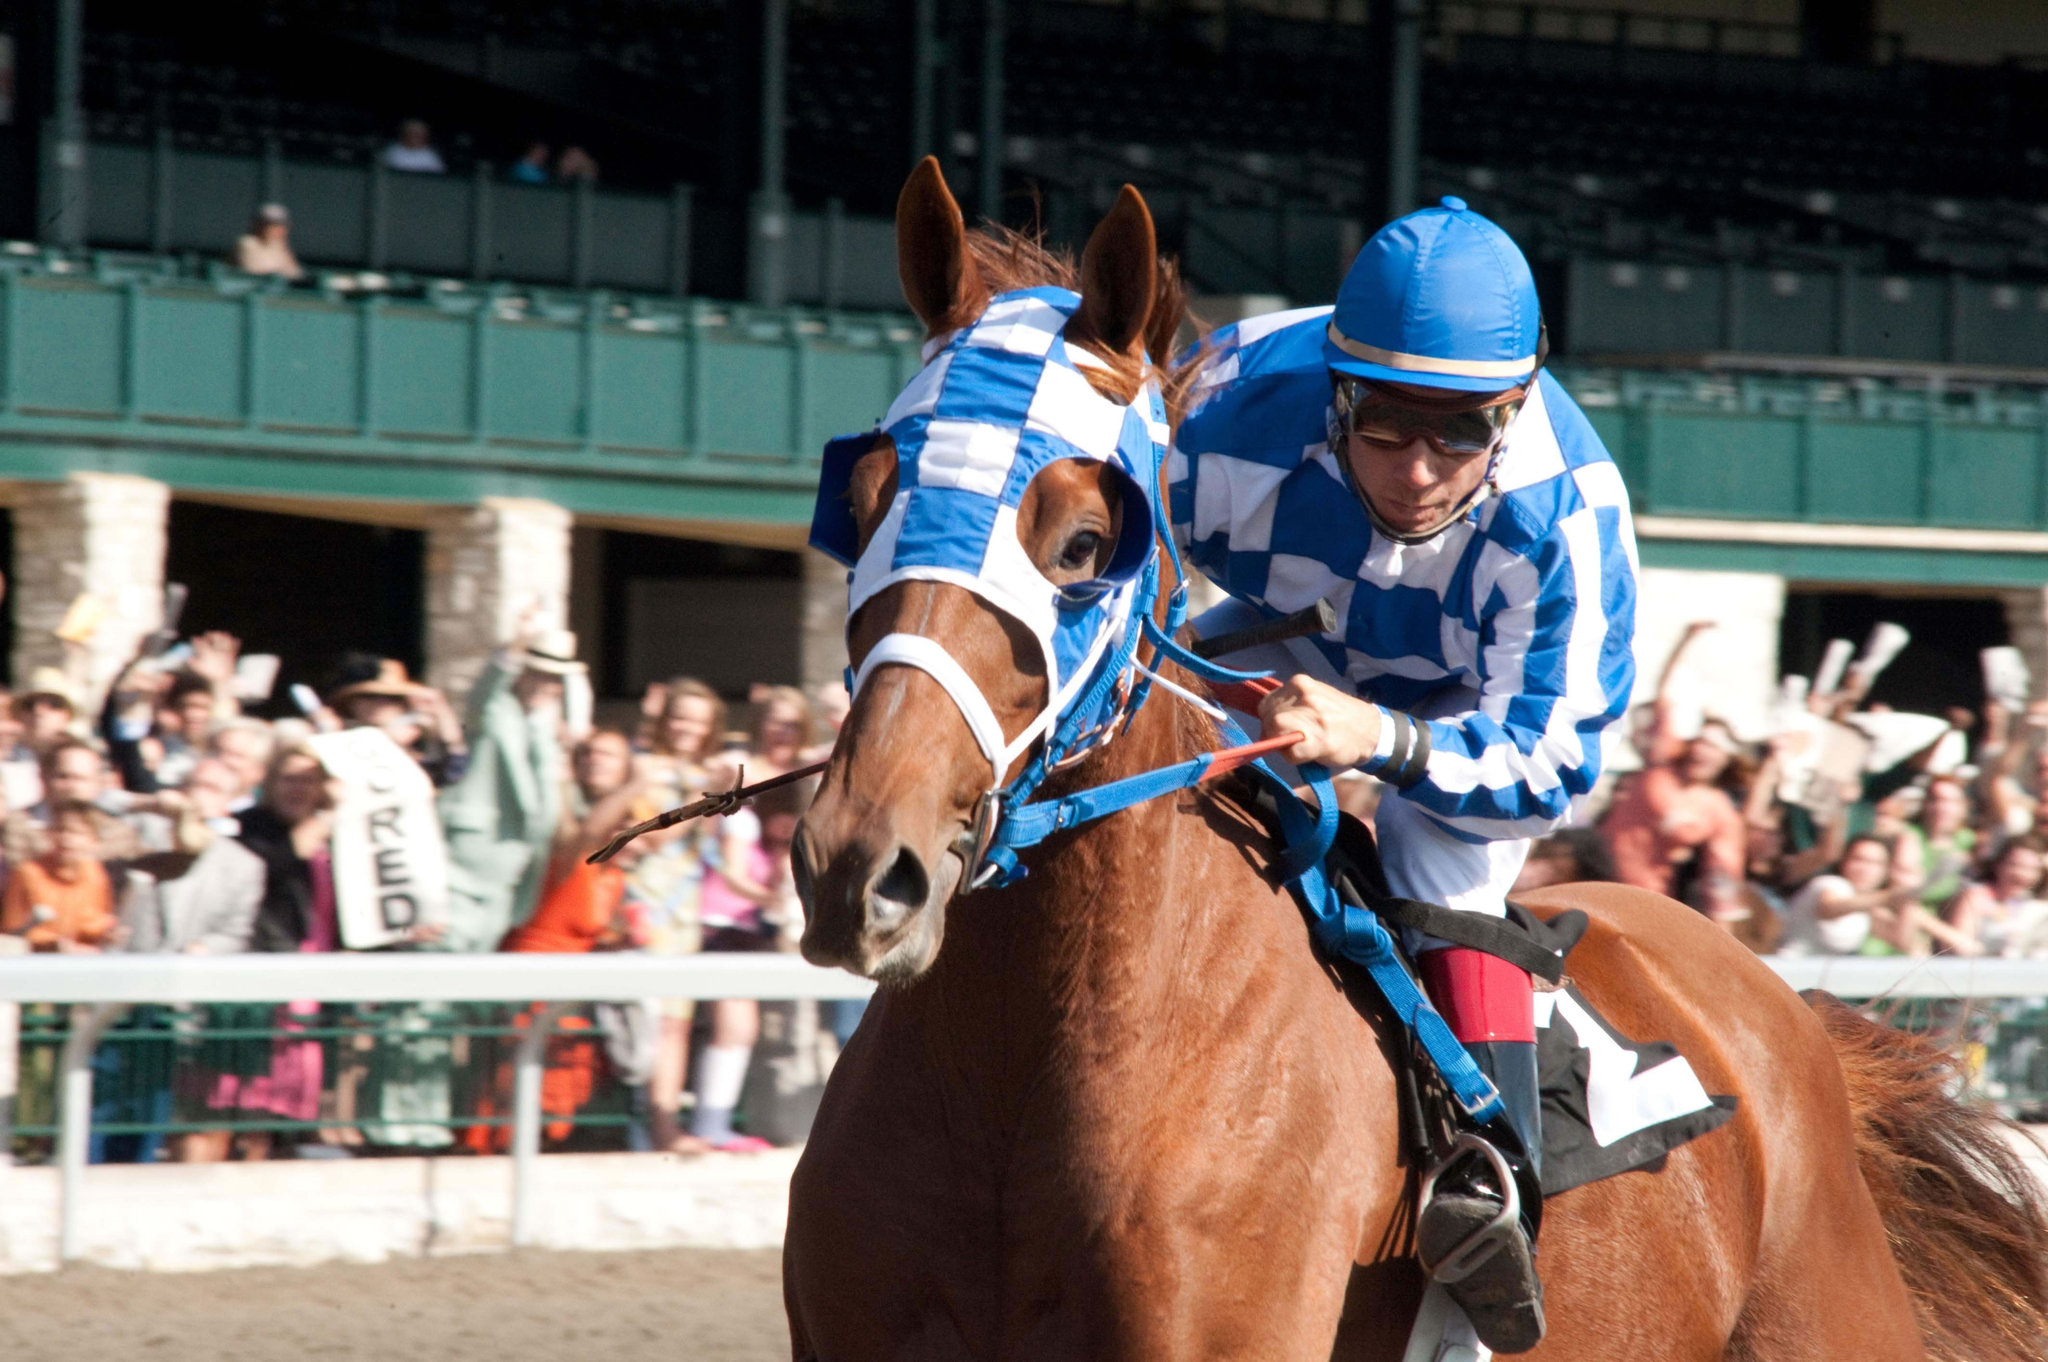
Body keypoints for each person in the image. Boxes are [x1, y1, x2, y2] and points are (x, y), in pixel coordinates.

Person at [1170, 197, 1637, 1351]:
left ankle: (1484, 1206)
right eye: (1381, 429)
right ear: (1336, 389)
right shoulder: (1213, 405)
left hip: (1474, 722)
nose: (1418, 472)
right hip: (1277, 632)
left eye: (1460, 435)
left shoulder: (1564, 513)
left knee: (1443, 869)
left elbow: (1550, 769)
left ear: (1514, 409)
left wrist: (1380, 743)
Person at [437, 628, 582, 953]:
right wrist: (515, 644)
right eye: (537, 675)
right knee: (444, 960)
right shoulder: (494, 714)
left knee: (474, 978)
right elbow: (483, 692)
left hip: (512, 879)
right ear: (520, 673)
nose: (546, 685)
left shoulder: (546, 733)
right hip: (463, 868)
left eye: (555, 679)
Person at [690, 778, 808, 1154]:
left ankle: (714, 1125)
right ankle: (709, 1128)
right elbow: (732, 875)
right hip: (722, 932)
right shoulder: (740, 821)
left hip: (739, 935)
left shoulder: (762, 834)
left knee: (740, 1029)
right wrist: (775, 898)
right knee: (734, 1028)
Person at [1, 800, 120, 952]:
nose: (66, 839)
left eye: (76, 833)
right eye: (60, 830)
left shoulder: (95, 874)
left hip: (83, 960)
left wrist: (106, 934)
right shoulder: (28, 873)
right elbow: (12, 931)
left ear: (94, 841)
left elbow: (94, 923)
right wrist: (51, 945)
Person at [1778, 834, 1921, 957]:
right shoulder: (1830, 884)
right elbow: (1830, 907)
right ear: (1844, 861)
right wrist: (1889, 896)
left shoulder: (1866, 907)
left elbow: (1901, 940)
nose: (1865, 869)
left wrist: (1910, 899)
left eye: (1875, 863)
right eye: (1858, 859)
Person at [1946, 836, 2048, 959]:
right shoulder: (1976, 897)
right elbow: (1958, 948)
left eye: (2031, 869)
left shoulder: (2033, 905)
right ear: (1998, 865)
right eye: (2014, 865)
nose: (2021, 874)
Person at [234, 204, 304, 281]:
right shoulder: (247, 243)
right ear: (258, 225)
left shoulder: (279, 246)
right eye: (271, 225)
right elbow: (256, 273)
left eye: (280, 225)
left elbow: (296, 274)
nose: (277, 229)